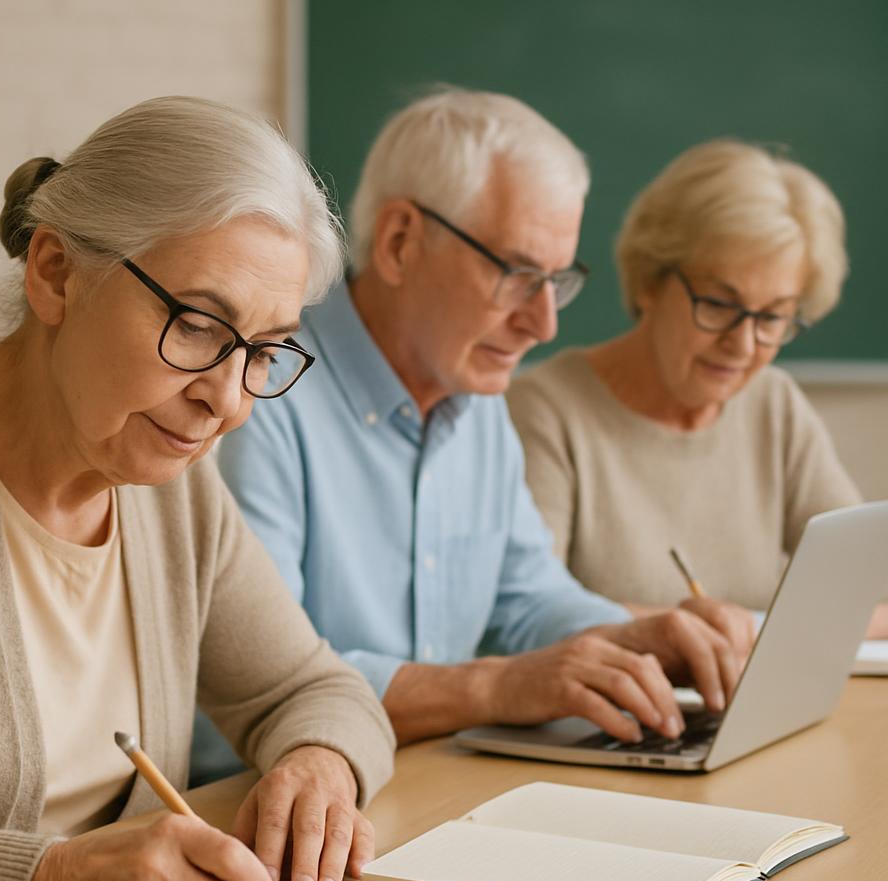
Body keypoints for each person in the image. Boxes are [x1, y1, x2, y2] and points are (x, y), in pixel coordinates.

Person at [0, 96, 395, 881]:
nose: (228, 402)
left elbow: (313, 689)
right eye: (197, 325)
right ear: (56, 274)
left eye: (263, 352)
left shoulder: (170, 489)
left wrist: (319, 764)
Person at [214, 88, 755, 765]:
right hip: (263, 797)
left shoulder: (474, 393)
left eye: (557, 281)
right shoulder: (259, 391)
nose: (544, 323)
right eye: (518, 274)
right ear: (401, 242)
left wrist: (637, 642)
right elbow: (263, 683)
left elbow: (528, 600)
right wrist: (495, 687)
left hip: (430, 777)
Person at [507, 139, 888, 638]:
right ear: (651, 281)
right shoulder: (545, 412)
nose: (743, 345)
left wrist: (748, 633)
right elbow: (524, 616)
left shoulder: (774, 404)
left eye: (773, 317)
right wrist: (722, 633)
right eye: (719, 305)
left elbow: (869, 593)